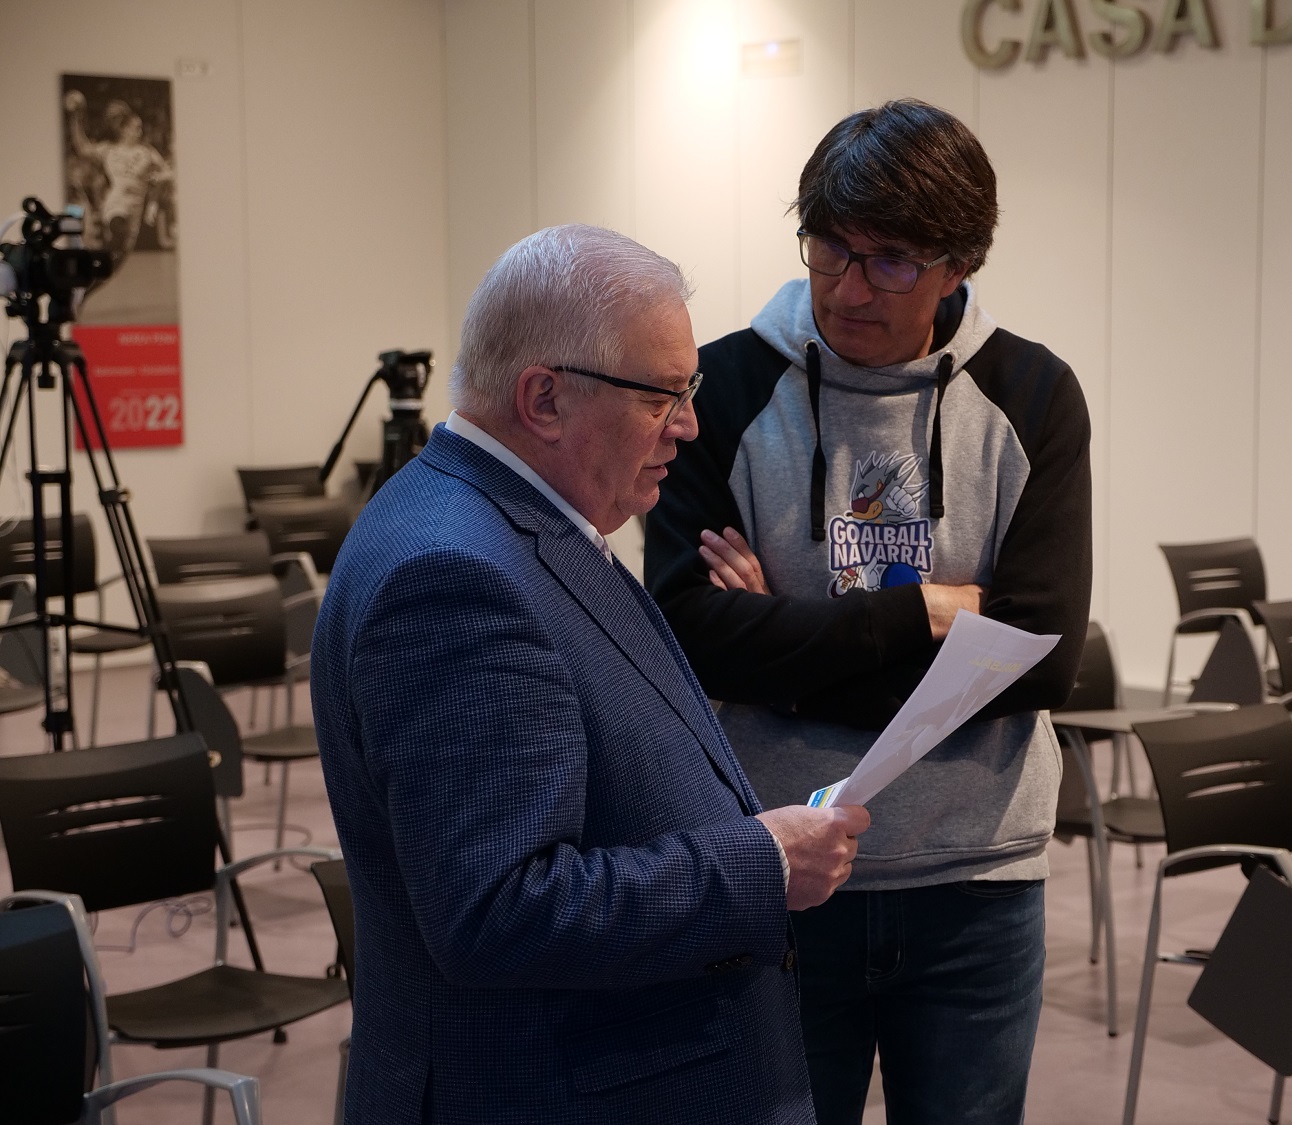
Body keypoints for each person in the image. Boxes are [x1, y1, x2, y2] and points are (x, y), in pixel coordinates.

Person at [312, 224, 870, 1125]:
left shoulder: (514, 520)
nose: (688, 424)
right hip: (562, 1085)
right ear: (544, 398)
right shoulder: (457, 574)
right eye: (664, 395)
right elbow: (501, 910)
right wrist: (759, 860)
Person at [645, 100, 1092, 1124]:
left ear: (960, 262)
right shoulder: (721, 385)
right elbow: (688, 637)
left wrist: (781, 644)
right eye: (829, 249)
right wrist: (931, 617)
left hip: (976, 876)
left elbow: (1044, 659)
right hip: (780, 863)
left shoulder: (1032, 394)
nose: (849, 288)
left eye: (891, 260)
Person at [63, 91, 173, 264]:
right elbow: (83, 148)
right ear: (124, 129)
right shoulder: (110, 150)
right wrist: (76, 118)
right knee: (117, 227)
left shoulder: (147, 152)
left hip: (135, 211)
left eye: (140, 127)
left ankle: (98, 270)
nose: (140, 131)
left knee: (121, 256)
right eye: (136, 127)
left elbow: (169, 173)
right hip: (115, 204)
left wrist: (159, 180)